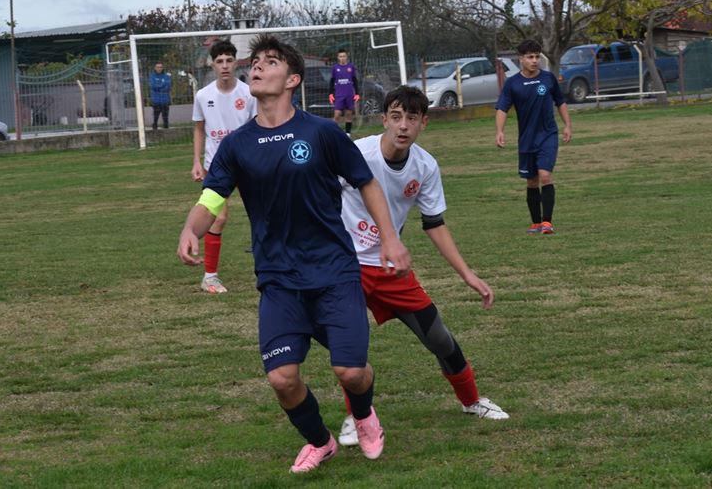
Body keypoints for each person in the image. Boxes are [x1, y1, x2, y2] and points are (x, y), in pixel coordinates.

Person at [177, 34, 411, 473]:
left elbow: (365, 181)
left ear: (292, 80)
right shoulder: (237, 145)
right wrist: (192, 229)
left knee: (351, 372)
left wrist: (390, 239)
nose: (257, 67)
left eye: (270, 61)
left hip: (334, 272)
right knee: (282, 378)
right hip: (279, 277)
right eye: (256, 61)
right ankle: (321, 441)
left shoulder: (321, 133)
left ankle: (364, 415)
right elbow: (211, 198)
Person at [335, 86, 509, 447]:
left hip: (391, 269)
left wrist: (467, 274)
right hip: (346, 268)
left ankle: (472, 401)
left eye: (411, 118)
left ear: (423, 123)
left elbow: (434, 224)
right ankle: (357, 417)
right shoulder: (356, 154)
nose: (403, 126)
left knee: (439, 337)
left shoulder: (425, 166)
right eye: (396, 117)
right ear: (384, 119)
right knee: (351, 351)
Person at [191, 40, 257, 294]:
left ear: (235, 62)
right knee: (218, 218)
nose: (225, 65)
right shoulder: (203, 95)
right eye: (220, 61)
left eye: (229, 60)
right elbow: (199, 129)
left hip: (247, 164)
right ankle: (210, 277)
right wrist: (197, 161)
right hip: (216, 167)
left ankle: (273, 268)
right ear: (213, 65)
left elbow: (257, 128)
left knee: (263, 214)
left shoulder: (249, 93)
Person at [495, 39, 572, 235]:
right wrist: (500, 131)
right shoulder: (513, 84)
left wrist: (567, 125)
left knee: (545, 175)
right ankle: (536, 223)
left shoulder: (548, 78)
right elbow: (502, 108)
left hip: (548, 135)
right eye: (530, 57)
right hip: (526, 139)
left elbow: (560, 102)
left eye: (537, 56)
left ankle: (547, 222)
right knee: (531, 181)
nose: (535, 60)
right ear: (521, 59)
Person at [329, 48, 360, 138]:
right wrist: (331, 93)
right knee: (337, 114)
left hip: (349, 94)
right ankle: (333, 132)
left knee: (349, 114)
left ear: (347, 57)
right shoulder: (335, 68)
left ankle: (348, 133)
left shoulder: (351, 67)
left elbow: (354, 80)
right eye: (340, 56)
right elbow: (332, 81)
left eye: (344, 56)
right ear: (338, 58)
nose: (342, 58)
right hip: (339, 95)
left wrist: (357, 93)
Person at [149, 62, 172, 130]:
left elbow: (168, 87)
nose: (159, 68)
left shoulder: (166, 76)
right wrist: (163, 84)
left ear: (162, 68)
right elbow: (153, 86)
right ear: (155, 68)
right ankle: (155, 124)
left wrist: (159, 86)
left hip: (165, 99)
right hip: (156, 99)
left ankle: (166, 126)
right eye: (158, 67)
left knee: (165, 115)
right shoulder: (152, 76)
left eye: (160, 67)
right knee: (156, 114)